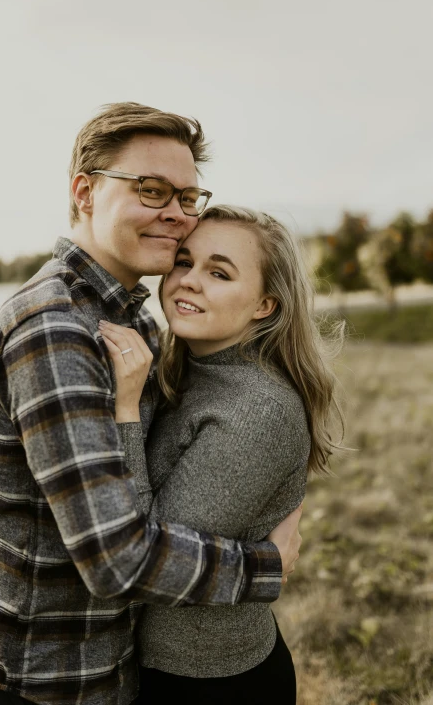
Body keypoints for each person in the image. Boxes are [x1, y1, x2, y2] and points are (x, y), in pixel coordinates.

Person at [0, 103, 302, 705]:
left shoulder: (132, 313)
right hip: (44, 677)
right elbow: (117, 563)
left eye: (187, 197)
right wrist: (262, 568)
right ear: (85, 192)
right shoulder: (56, 330)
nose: (176, 214)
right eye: (151, 189)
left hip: (105, 666)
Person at [100, 205, 344, 704]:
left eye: (219, 272)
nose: (189, 281)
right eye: (184, 262)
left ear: (264, 306)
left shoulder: (257, 408)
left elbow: (150, 562)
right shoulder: (192, 370)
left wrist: (126, 410)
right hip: (162, 668)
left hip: (210, 680)